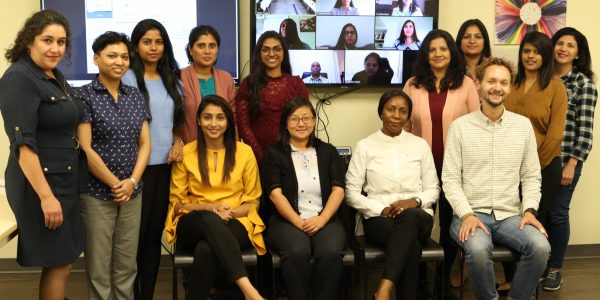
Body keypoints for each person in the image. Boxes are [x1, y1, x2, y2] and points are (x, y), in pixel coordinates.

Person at [443, 56, 551, 300]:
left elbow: (532, 176)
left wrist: (530, 210)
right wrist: (467, 214)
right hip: (470, 213)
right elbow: (450, 179)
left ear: (509, 86)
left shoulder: (522, 126)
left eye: (503, 82)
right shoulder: (460, 127)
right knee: (479, 250)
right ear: (478, 83)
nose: (497, 87)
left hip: (510, 215)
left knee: (541, 246)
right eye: (491, 80)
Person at [0, 9, 85, 300]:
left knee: (63, 259)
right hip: (41, 184)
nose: (55, 48)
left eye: (61, 42)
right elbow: (23, 145)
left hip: (64, 179)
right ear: (29, 41)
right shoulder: (19, 77)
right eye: (47, 40)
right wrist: (46, 197)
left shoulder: (54, 75)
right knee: (58, 261)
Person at [164, 95, 265, 300]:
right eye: (207, 117)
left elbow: (253, 201)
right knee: (209, 219)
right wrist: (212, 209)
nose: (213, 123)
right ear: (199, 121)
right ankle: (250, 291)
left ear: (228, 122)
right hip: (193, 222)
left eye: (220, 118)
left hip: (237, 220)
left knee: (207, 249)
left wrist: (228, 213)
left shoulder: (244, 152)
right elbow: (177, 204)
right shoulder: (186, 152)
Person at [402, 29, 479, 292]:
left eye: (443, 49)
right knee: (420, 225)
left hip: (456, 169)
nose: (437, 54)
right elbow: (406, 127)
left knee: (449, 226)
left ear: (451, 52)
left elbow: (476, 126)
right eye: (432, 49)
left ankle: (443, 281)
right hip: (420, 169)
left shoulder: (466, 83)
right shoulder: (413, 84)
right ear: (426, 53)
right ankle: (420, 281)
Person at [76, 31, 151, 299]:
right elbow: (85, 148)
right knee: (99, 266)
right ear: (96, 59)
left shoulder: (135, 95)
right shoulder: (83, 96)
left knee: (126, 265)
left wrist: (131, 182)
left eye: (124, 56)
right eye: (111, 56)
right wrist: (114, 183)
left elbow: (145, 144)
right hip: (97, 193)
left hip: (132, 192)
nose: (119, 61)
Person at [346, 89, 439, 300]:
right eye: (391, 109)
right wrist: (382, 209)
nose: (397, 115)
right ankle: (391, 291)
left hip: (419, 216)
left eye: (403, 111)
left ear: (408, 116)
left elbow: (433, 188)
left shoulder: (419, 145)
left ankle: (384, 288)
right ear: (381, 112)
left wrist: (414, 201)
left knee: (410, 216)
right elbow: (350, 193)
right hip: (380, 219)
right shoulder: (365, 146)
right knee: (411, 246)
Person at [121, 19, 184, 300]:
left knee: (152, 237)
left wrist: (179, 141)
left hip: (165, 168)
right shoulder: (125, 77)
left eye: (159, 41)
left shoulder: (173, 78)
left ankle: (145, 294)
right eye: (147, 41)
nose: (153, 47)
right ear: (136, 45)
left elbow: (175, 125)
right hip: (136, 170)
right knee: (134, 237)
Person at [262, 97, 346, 300]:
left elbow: (338, 190)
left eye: (306, 118)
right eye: (295, 119)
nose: (301, 124)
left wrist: (322, 219)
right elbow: (275, 194)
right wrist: (298, 222)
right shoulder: (274, 154)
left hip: (324, 218)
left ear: (315, 120)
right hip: (287, 221)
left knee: (331, 253)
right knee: (296, 252)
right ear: (285, 123)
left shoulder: (328, 151)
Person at [504, 30, 567, 254]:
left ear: (546, 56)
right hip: (509, 168)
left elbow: (555, 135)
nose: (530, 56)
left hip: (544, 167)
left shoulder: (556, 87)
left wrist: (531, 167)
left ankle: (532, 276)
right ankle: (513, 278)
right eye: (527, 51)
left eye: (537, 52)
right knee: (510, 222)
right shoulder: (510, 83)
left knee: (533, 221)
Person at [544, 27, 597, 291]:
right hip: (540, 160)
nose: (563, 48)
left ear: (578, 54)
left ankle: (554, 268)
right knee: (539, 213)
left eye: (571, 46)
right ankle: (539, 264)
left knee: (557, 214)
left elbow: (585, 132)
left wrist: (572, 163)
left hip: (566, 161)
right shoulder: (543, 79)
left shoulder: (583, 85)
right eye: (560, 43)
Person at [236, 31, 308, 161]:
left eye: (277, 49)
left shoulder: (296, 84)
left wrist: (291, 154)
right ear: (259, 53)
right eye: (266, 50)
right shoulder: (248, 84)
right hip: (258, 158)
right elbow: (243, 127)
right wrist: (262, 158)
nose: (271, 54)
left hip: (293, 157)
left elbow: (304, 122)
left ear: (284, 52)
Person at [181, 25, 236, 144]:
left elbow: (233, 118)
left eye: (212, 46)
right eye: (201, 46)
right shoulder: (178, 78)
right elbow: (173, 120)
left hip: (223, 149)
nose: (207, 51)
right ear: (190, 49)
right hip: (189, 150)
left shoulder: (226, 78)